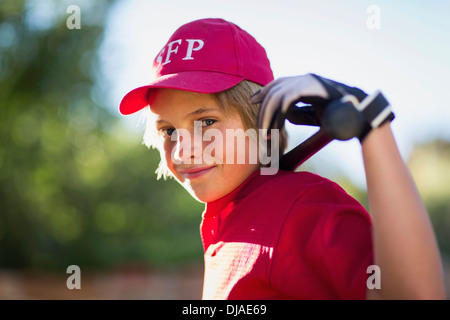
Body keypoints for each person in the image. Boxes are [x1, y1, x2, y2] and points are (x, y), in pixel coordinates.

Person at [119, 18, 446, 299]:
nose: (182, 150)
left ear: (262, 122)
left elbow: (417, 294)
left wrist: (372, 126)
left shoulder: (301, 206)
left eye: (206, 122)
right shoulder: (227, 218)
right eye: (168, 130)